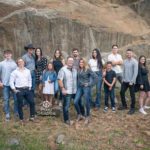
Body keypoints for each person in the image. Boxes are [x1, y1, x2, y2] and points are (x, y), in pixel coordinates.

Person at [9, 58, 35, 122]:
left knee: (32, 102)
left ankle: (32, 117)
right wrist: (14, 89)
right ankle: (21, 119)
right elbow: (11, 81)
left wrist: (30, 87)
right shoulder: (14, 72)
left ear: (24, 63)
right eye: (19, 62)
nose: (20, 63)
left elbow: (30, 79)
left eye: (22, 62)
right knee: (20, 104)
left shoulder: (28, 71)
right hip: (19, 90)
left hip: (27, 89)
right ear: (17, 63)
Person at [74, 58, 98, 124]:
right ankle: (80, 114)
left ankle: (87, 116)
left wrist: (89, 84)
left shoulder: (88, 69)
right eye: (80, 62)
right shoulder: (78, 69)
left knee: (86, 102)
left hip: (86, 87)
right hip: (79, 87)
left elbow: (96, 77)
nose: (81, 63)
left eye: (82, 62)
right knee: (75, 101)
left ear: (84, 63)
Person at [58, 56, 77, 125]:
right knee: (66, 106)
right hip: (67, 91)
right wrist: (62, 88)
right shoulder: (63, 69)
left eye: (72, 61)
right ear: (67, 61)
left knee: (79, 103)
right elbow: (59, 80)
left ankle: (81, 115)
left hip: (75, 91)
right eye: (69, 61)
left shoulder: (75, 70)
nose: (71, 62)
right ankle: (66, 120)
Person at [118, 49, 138, 115]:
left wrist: (132, 81)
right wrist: (123, 79)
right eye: (127, 53)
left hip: (131, 82)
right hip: (125, 81)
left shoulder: (135, 62)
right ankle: (124, 105)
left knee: (132, 95)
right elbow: (123, 70)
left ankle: (132, 108)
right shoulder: (125, 61)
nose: (128, 54)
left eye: (129, 53)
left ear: (132, 54)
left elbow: (135, 73)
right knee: (121, 92)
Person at [0, 50, 18, 121]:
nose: (8, 55)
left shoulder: (14, 64)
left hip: (13, 84)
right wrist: (0, 82)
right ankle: (7, 113)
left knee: (16, 99)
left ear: (11, 55)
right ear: (4, 55)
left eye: (9, 54)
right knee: (6, 99)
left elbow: (17, 75)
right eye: (6, 54)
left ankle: (16, 111)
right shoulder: (1, 63)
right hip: (5, 85)